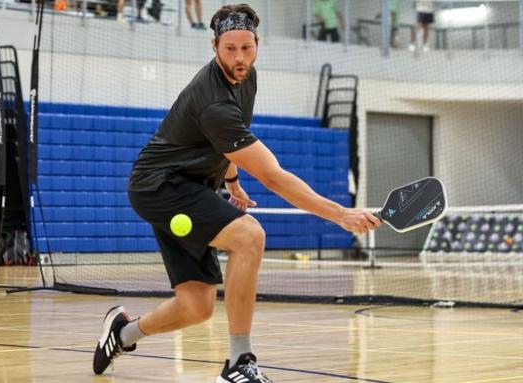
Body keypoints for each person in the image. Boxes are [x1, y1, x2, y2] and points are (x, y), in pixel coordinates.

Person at [92, 3, 381, 382]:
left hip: (190, 187)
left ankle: (123, 333)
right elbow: (274, 177)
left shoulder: (247, 79)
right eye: (230, 49)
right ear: (214, 47)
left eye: (246, 48)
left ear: (257, 44)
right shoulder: (213, 101)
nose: (239, 57)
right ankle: (238, 363)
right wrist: (340, 214)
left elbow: (227, 146)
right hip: (160, 186)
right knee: (250, 236)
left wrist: (231, 182)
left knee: (196, 306)